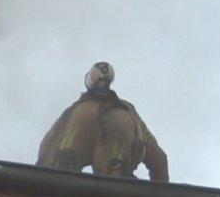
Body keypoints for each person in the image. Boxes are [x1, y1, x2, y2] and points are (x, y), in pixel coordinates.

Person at [36, 62, 169, 182]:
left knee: (59, 178)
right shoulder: (128, 113)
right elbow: (159, 160)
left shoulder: (75, 111)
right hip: (119, 136)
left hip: (74, 135)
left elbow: (47, 145)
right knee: (114, 188)